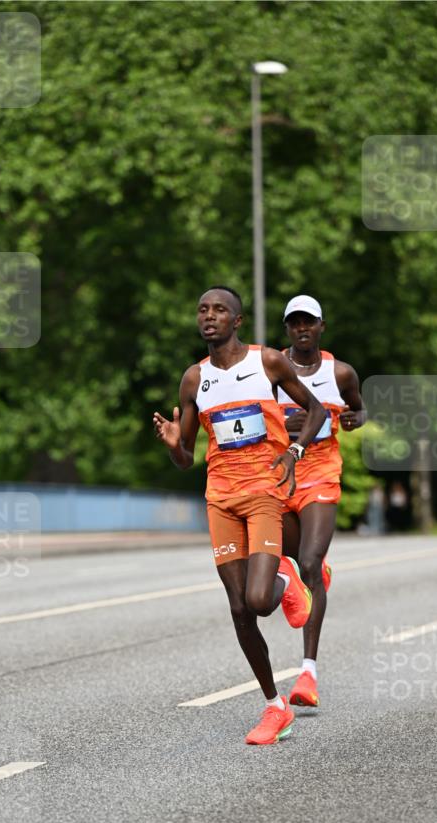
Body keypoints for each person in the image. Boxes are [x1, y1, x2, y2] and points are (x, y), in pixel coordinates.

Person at [153, 287, 326, 745]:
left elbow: (317, 410)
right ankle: (275, 706)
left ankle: (286, 580)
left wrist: (294, 450)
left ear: (238, 321)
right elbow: (188, 457)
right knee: (238, 608)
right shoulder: (194, 379)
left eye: (219, 310)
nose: (209, 317)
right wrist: (175, 446)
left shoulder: (267, 362)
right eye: (202, 309)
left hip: (264, 493)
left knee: (258, 599)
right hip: (221, 499)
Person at [276, 295, 365, 708]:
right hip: (279, 476)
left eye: (308, 322)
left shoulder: (340, 372)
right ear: (287, 329)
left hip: (321, 474)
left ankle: (308, 671)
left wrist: (351, 419)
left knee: (309, 563)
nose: (302, 329)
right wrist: (280, 423)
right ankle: (315, 571)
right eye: (294, 323)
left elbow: (358, 411)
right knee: (292, 561)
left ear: (321, 326)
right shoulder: (269, 368)